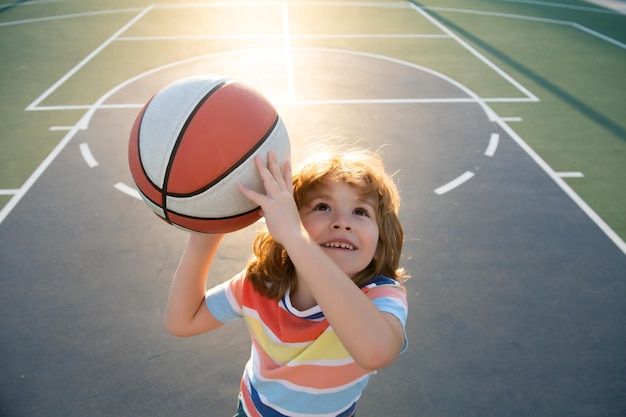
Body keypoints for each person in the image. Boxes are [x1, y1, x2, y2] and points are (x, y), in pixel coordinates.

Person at [164, 147, 409, 417]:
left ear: (379, 243)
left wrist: (296, 238)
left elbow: (376, 352)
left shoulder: (381, 295)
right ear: (290, 219)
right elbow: (182, 321)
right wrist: (205, 235)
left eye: (360, 212)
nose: (342, 223)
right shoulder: (261, 284)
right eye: (322, 207)